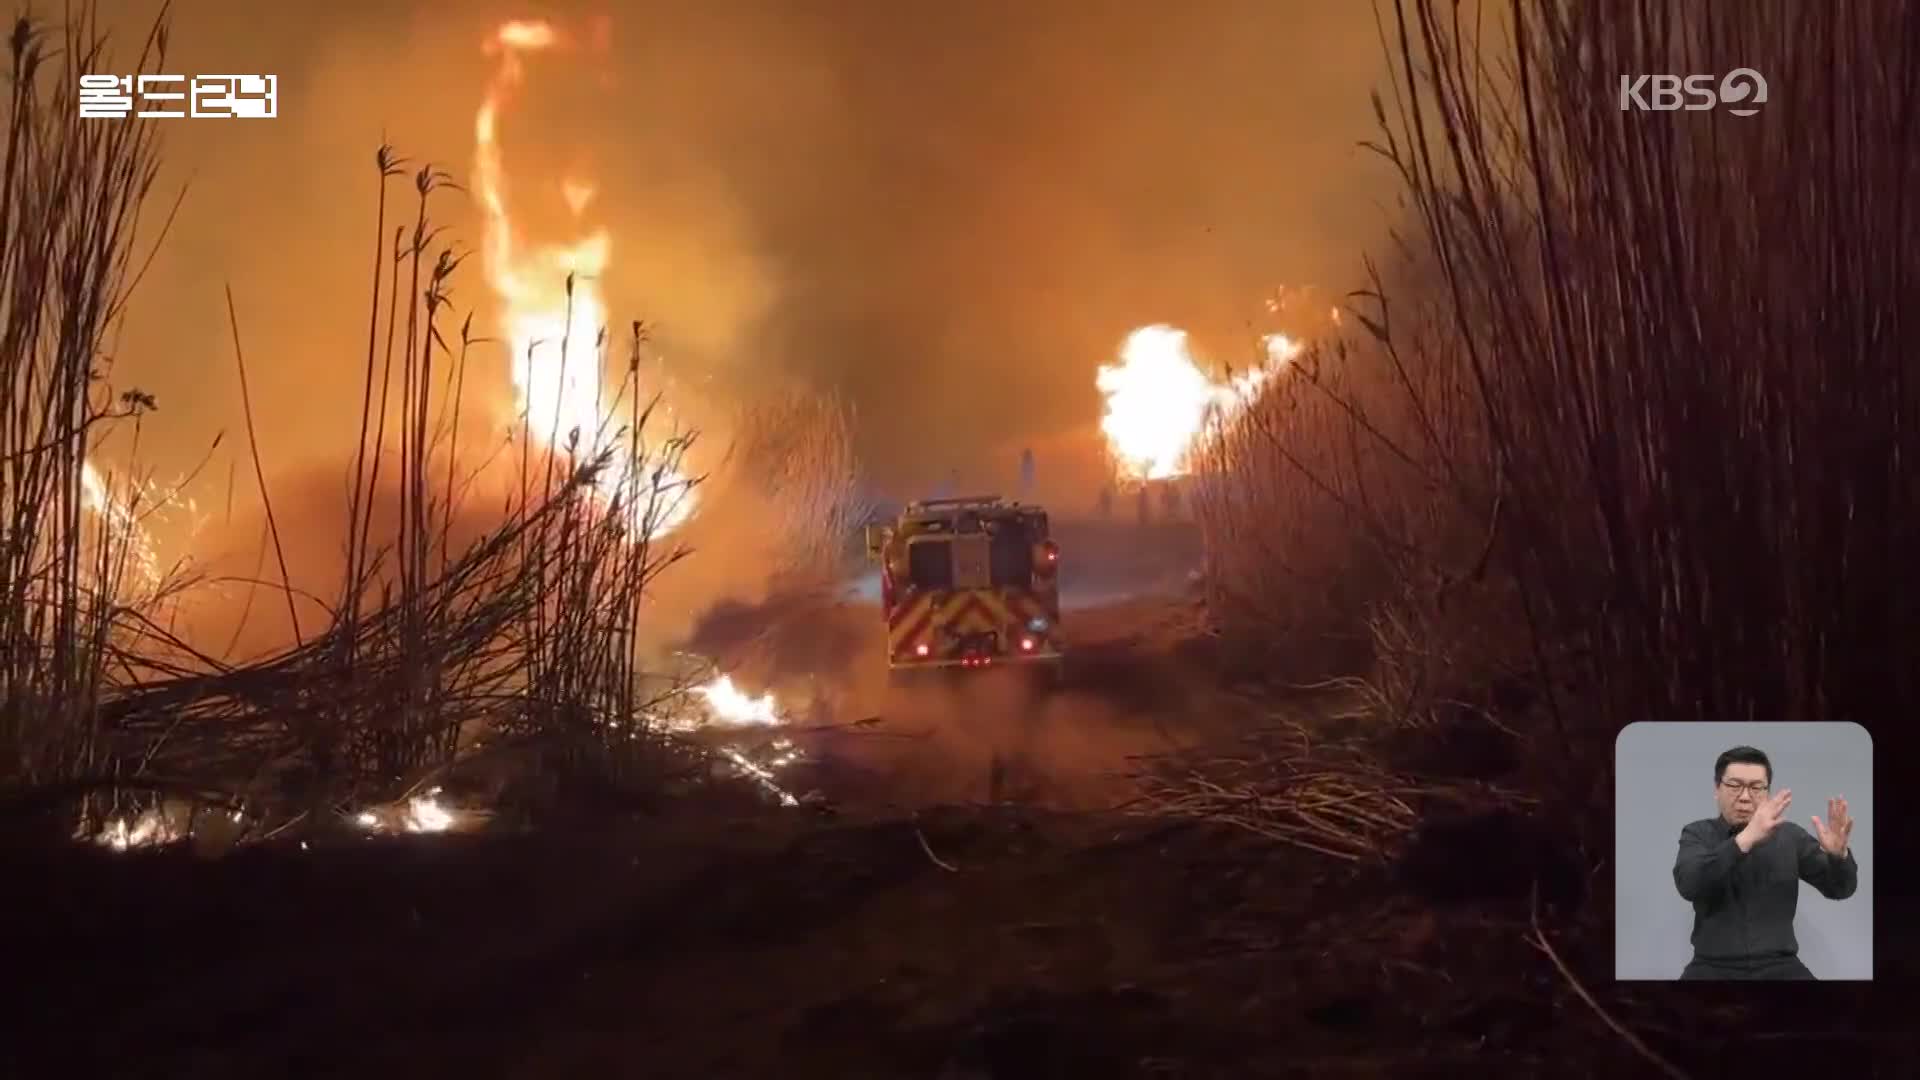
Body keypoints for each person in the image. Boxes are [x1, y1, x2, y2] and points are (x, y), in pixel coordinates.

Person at [1670, 745, 1859, 979]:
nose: (1745, 797)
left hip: (1781, 966)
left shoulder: (1790, 836)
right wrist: (1746, 838)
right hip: (1711, 966)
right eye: (1734, 786)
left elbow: (1840, 889)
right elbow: (1689, 884)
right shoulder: (1697, 833)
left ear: (1767, 792)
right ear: (1717, 789)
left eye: (1756, 787)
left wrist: (1838, 857)